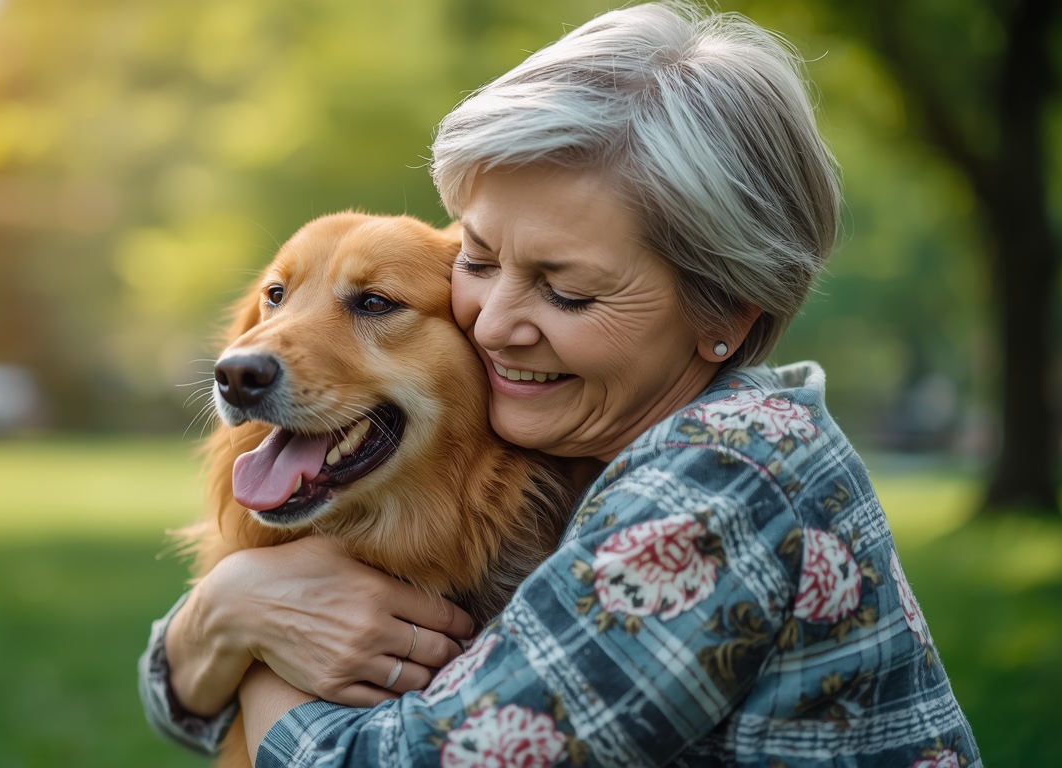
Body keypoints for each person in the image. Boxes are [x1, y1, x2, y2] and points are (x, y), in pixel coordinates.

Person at [140, 3, 981, 766]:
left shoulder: (720, 484)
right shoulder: (591, 449)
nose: (493, 324)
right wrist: (227, 613)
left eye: (567, 289)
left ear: (722, 311)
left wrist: (245, 635)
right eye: (476, 259)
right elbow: (182, 707)